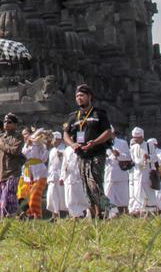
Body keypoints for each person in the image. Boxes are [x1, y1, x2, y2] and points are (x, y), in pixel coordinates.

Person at [62, 83, 113, 219]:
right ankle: (95, 212)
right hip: (81, 155)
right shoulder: (73, 117)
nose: (79, 98)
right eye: (77, 96)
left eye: (82, 95)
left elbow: (108, 132)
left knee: (95, 182)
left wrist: (95, 142)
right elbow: (65, 134)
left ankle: (103, 210)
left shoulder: (99, 114)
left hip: (96, 153)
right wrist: (72, 144)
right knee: (85, 185)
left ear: (89, 97)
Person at [0, 113, 24, 219]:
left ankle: (12, 216)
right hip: (1, 173)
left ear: (15, 124)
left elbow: (14, 151)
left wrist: (1, 144)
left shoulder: (18, 137)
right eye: (5, 122)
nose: (6, 124)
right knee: (4, 199)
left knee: (7, 196)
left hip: (12, 171)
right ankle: (16, 216)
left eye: (9, 122)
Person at [127, 128, 159, 216]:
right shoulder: (133, 147)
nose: (135, 139)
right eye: (134, 137)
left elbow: (155, 158)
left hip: (147, 172)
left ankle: (151, 210)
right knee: (137, 191)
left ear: (142, 137)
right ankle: (139, 210)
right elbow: (131, 159)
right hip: (137, 173)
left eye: (137, 137)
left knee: (148, 191)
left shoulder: (149, 145)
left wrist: (148, 157)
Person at [20, 128, 49, 219]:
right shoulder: (24, 146)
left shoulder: (38, 143)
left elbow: (44, 158)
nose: (24, 136)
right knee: (25, 196)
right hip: (28, 173)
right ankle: (30, 215)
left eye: (26, 134)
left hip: (39, 173)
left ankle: (36, 216)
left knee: (34, 196)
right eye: (23, 134)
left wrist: (33, 137)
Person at [104, 127, 132, 218]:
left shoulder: (122, 143)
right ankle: (109, 217)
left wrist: (119, 155)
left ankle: (123, 217)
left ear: (113, 133)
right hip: (109, 174)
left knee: (122, 198)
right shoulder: (102, 144)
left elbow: (128, 157)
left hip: (120, 174)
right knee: (108, 197)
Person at [46, 134, 68, 218]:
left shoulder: (64, 149)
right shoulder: (52, 150)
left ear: (59, 139)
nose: (53, 140)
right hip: (52, 176)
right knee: (51, 196)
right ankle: (54, 215)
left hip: (60, 177)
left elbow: (66, 162)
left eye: (54, 139)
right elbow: (50, 165)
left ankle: (65, 214)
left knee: (62, 196)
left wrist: (61, 156)